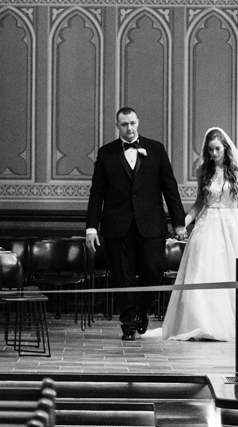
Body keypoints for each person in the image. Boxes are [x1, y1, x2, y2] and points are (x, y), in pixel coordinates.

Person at [85, 105, 187, 339]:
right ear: (117, 126)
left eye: (132, 123)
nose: (129, 128)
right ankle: (128, 324)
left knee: (154, 270)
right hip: (117, 226)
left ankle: (141, 310)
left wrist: (179, 222)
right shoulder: (106, 153)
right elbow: (97, 192)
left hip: (151, 224)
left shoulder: (156, 149)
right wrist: (91, 226)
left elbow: (169, 187)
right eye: (124, 124)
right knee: (122, 276)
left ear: (138, 122)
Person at [159, 126, 238, 341]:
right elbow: (199, 202)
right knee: (202, 271)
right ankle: (201, 323)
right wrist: (183, 224)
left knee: (230, 273)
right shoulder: (203, 170)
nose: (214, 154)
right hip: (207, 225)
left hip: (232, 224)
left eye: (217, 149)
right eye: (210, 150)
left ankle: (231, 324)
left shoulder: (236, 169)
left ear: (225, 148)